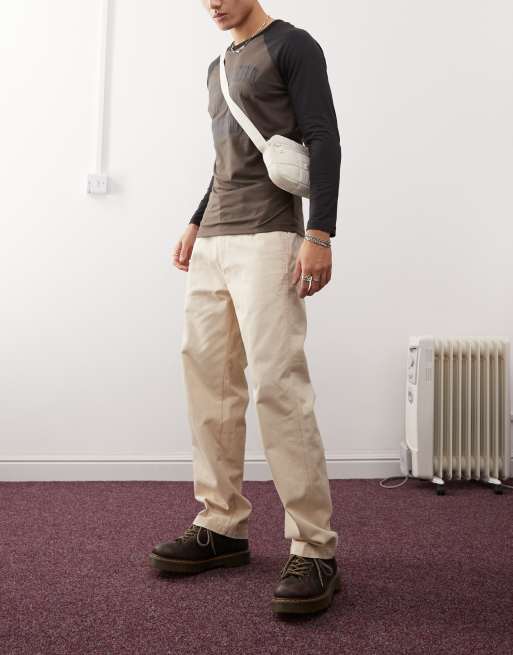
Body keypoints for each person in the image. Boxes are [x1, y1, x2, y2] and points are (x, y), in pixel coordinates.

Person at [149, 0, 342, 616]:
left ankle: (314, 547)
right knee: (209, 380)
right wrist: (195, 219)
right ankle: (221, 524)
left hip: (270, 235)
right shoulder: (217, 66)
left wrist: (320, 233)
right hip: (214, 238)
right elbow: (227, 156)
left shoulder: (292, 45)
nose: (211, 2)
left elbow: (322, 136)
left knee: (278, 384)